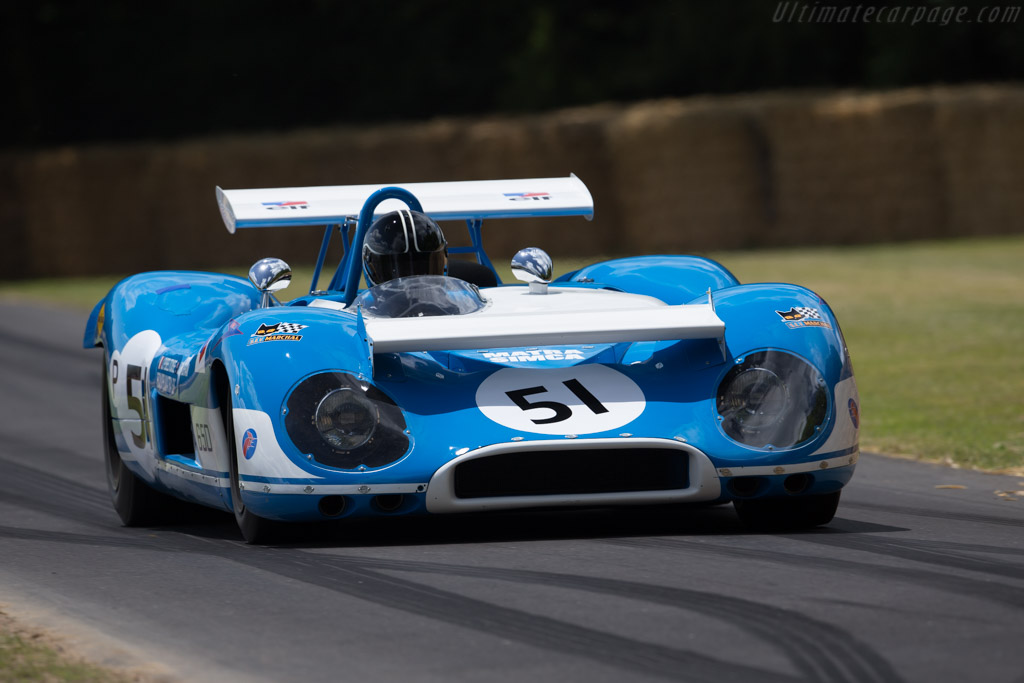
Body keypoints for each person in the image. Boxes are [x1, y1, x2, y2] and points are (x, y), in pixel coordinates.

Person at [362, 209, 447, 286]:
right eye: (403, 270)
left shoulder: (456, 299)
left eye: (421, 267)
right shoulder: (362, 303)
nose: (413, 284)